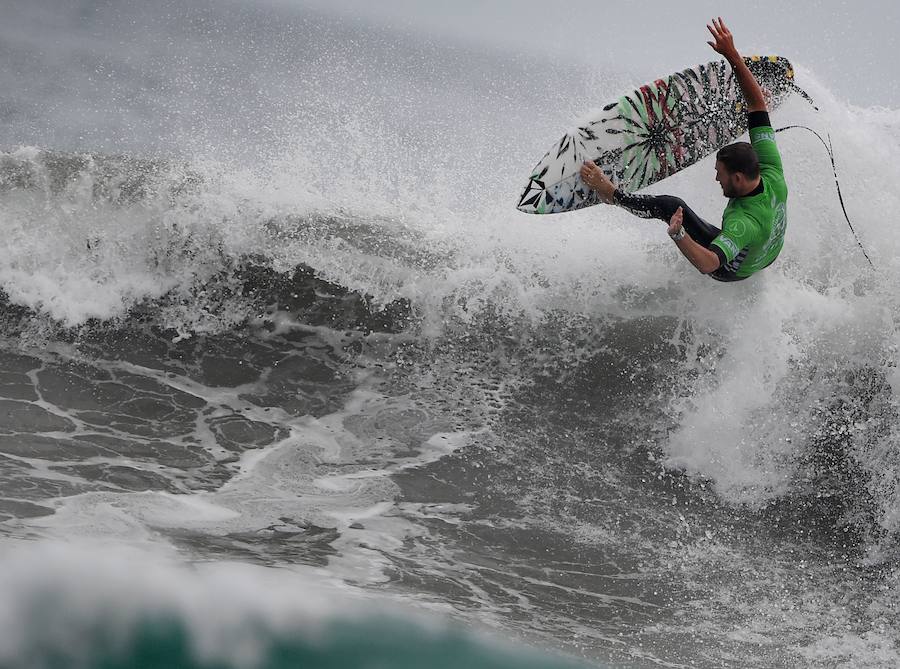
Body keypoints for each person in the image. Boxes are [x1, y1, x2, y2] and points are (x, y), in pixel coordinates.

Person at [579, 18, 788, 282]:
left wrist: (679, 234)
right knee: (756, 115)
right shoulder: (771, 170)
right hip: (767, 253)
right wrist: (731, 54)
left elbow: (709, 264)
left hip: (731, 269)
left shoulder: (742, 223)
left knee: (671, 205)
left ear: (737, 177)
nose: (716, 179)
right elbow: (757, 105)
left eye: (720, 174)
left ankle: (612, 195)